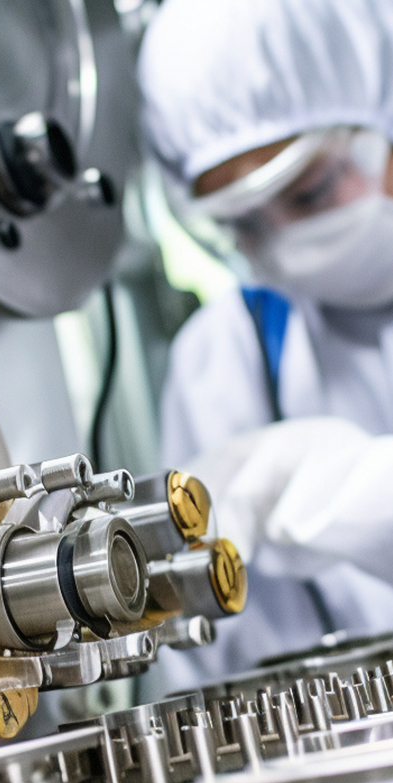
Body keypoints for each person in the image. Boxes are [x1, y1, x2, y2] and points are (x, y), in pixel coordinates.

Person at [136, 0, 393, 697]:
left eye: (309, 191)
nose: (281, 244)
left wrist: (344, 493)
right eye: (243, 224)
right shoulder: (224, 357)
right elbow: (214, 665)